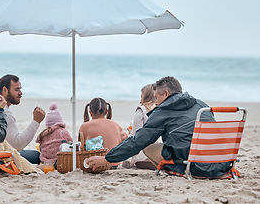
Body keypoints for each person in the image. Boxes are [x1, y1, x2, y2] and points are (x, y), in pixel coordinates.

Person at [86, 76, 232, 178]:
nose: (155, 103)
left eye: (156, 97)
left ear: (166, 94)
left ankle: (168, 169)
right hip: (220, 163)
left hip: (193, 167)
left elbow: (138, 141)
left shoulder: (163, 110)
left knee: (147, 146)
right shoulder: (201, 105)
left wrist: (106, 159)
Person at [0, 74, 45, 164]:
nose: (20, 93)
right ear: (5, 90)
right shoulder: (4, 113)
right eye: (17, 90)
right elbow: (18, 145)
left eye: (20, 89)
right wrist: (36, 121)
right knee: (37, 155)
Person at [79, 98, 128, 168]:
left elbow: (81, 146)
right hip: (114, 163)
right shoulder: (115, 124)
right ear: (106, 112)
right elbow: (125, 141)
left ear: (90, 113)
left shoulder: (84, 126)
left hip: (94, 164)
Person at [123, 84, 158, 170]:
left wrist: (128, 134)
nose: (140, 101)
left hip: (144, 156)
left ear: (146, 97)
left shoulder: (141, 110)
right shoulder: (160, 110)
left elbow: (135, 136)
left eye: (142, 96)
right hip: (159, 154)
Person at [35, 102, 72, 170]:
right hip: (58, 161)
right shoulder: (63, 132)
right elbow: (71, 144)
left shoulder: (43, 134)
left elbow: (40, 148)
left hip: (45, 160)